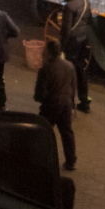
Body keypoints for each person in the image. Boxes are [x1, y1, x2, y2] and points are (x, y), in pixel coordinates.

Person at [35, 38, 80, 171]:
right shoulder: (69, 66)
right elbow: (73, 86)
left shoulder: (46, 68)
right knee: (67, 133)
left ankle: (41, 158)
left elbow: (40, 92)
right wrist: (72, 104)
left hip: (51, 103)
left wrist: (40, 99)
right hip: (66, 104)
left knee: (43, 131)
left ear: (49, 52)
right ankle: (71, 160)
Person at [58, 0, 96, 113]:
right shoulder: (86, 1)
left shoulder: (69, 6)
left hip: (72, 42)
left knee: (69, 71)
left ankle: (70, 103)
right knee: (81, 70)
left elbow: (66, 29)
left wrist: (62, 47)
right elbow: (90, 21)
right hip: (83, 40)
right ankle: (84, 102)